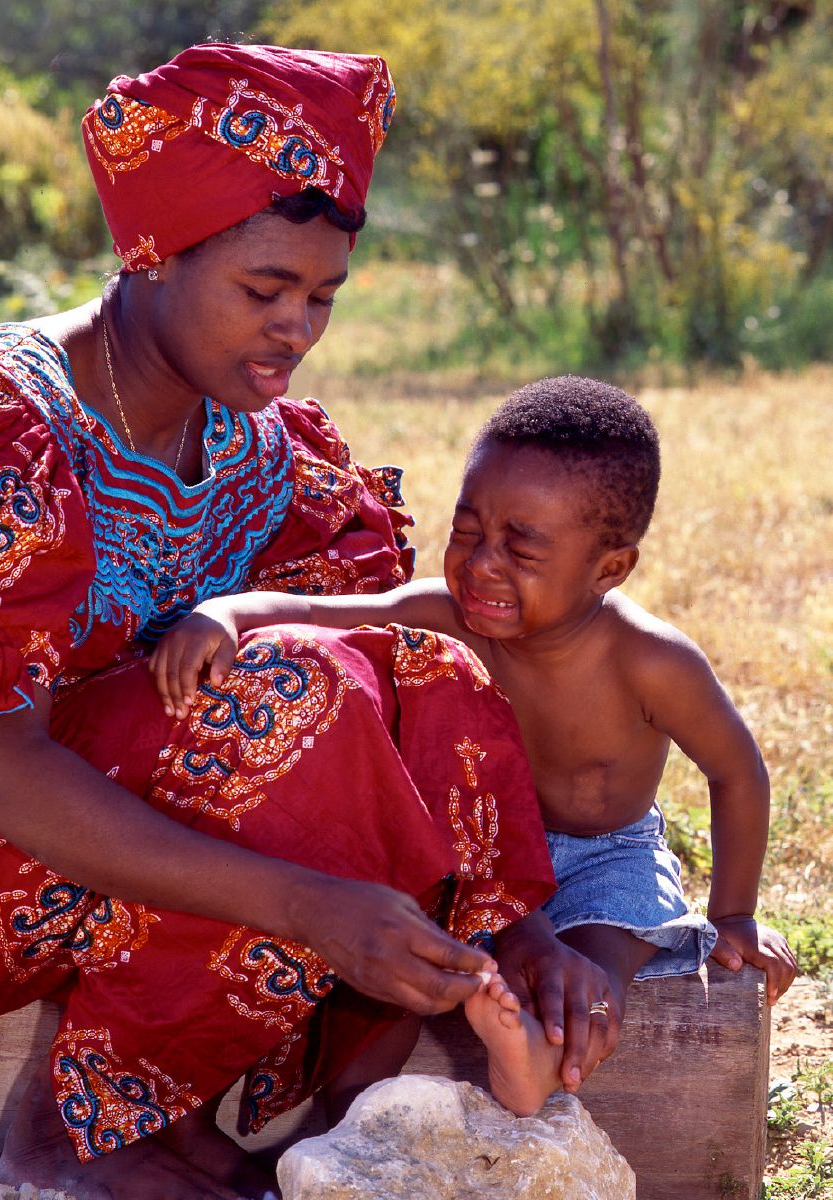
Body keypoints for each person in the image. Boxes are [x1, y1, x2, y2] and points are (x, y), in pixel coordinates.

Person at [0, 43, 596, 1200]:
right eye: (263, 290)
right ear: (152, 250)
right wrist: (309, 905)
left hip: (121, 863)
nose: (297, 327)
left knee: (418, 667)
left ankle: (233, 1125)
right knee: (295, 691)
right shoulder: (3, 424)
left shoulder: (269, 458)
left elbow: (408, 685)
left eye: (322, 297)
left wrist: (515, 922)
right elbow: (1, 774)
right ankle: (73, 1138)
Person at [154, 373, 799, 1059]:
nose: (482, 564)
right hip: (481, 854)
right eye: (467, 531)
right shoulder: (446, 615)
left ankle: (540, 1056)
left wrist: (735, 914)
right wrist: (228, 612)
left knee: (595, 971)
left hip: (605, 855)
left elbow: (737, 773)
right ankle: (471, 1033)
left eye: (521, 551)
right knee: (425, 943)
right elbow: (320, 613)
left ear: (610, 570)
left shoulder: (650, 661)